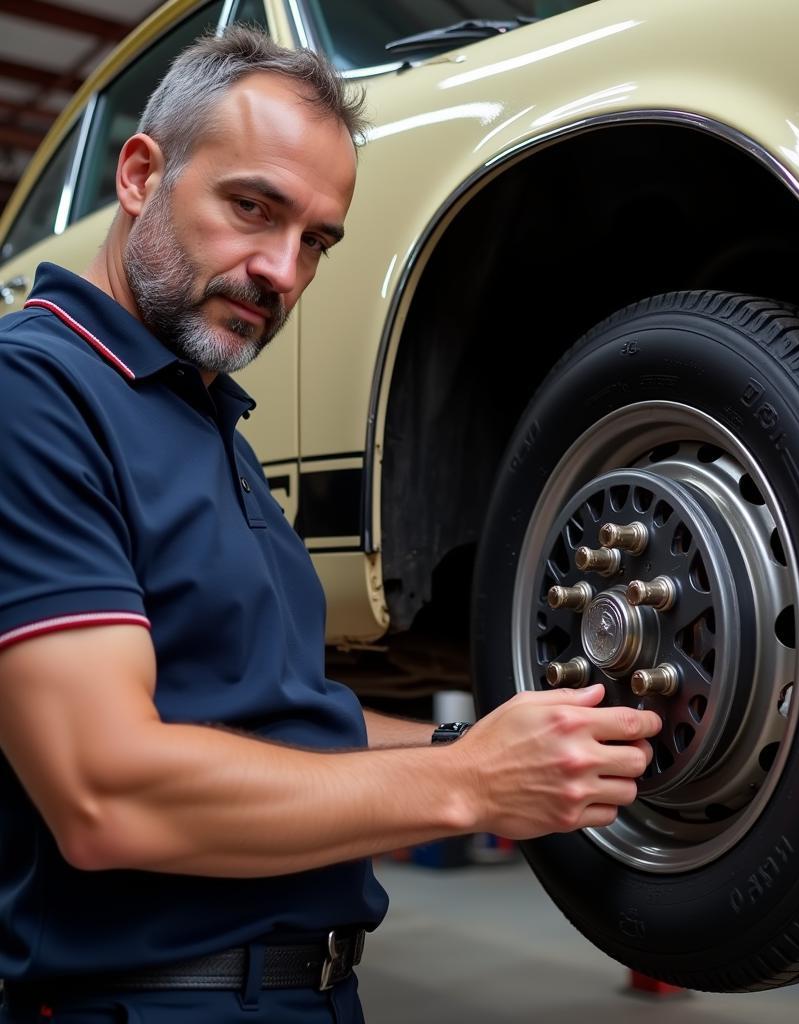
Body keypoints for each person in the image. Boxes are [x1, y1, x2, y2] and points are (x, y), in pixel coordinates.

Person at [0, 26, 660, 1024]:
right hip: (149, 1004)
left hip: (312, 994)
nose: (282, 271)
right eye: (251, 208)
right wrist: (469, 787)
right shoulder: (33, 393)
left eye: (314, 239)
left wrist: (467, 738)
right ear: (140, 174)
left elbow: (290, 718)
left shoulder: (209, 419)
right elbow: (106, 793)